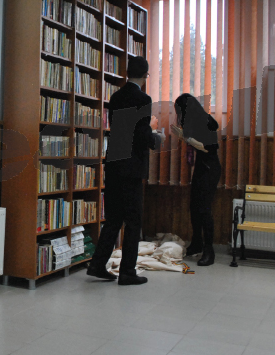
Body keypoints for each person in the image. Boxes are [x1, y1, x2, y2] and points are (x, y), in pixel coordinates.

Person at [87, 56, 164, 286]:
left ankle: (97, 264)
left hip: (114, 164)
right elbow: (141, 135)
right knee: (133, 221)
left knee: (113, 219)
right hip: (132, 168)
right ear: (146, 76)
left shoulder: (115, 97)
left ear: (127, 72)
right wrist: (155, 134)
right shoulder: (143, 99)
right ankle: (127, 272)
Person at [171, 93, 222, 266]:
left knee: (204, 209)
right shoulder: (195, 121)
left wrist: (185, 138)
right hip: (202, 168)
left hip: (209, 169)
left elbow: (209, 148)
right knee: (194, 207)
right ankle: (197, 243)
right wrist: (185, 136)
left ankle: (209, 250)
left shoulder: (205, 121)